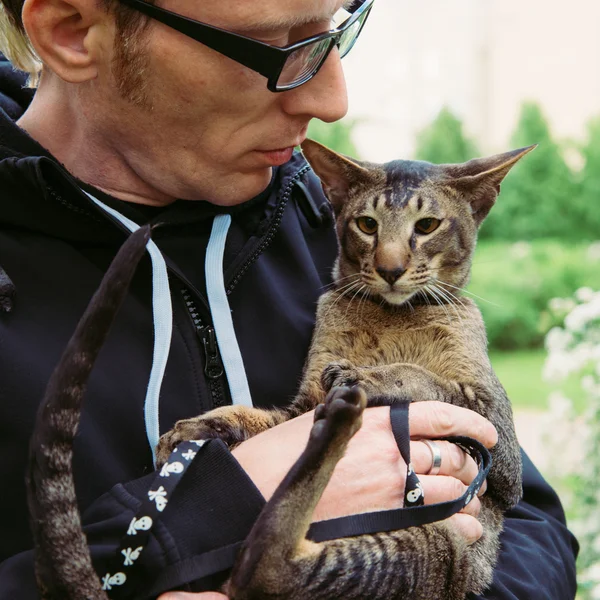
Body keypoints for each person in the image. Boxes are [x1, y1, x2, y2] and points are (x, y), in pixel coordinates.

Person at [0, 0, 578, 597]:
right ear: (72, 31)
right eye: (275, 48)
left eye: (336, 29)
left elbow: (534, 525)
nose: (333, 100)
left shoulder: (323, 221)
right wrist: (217, 507)